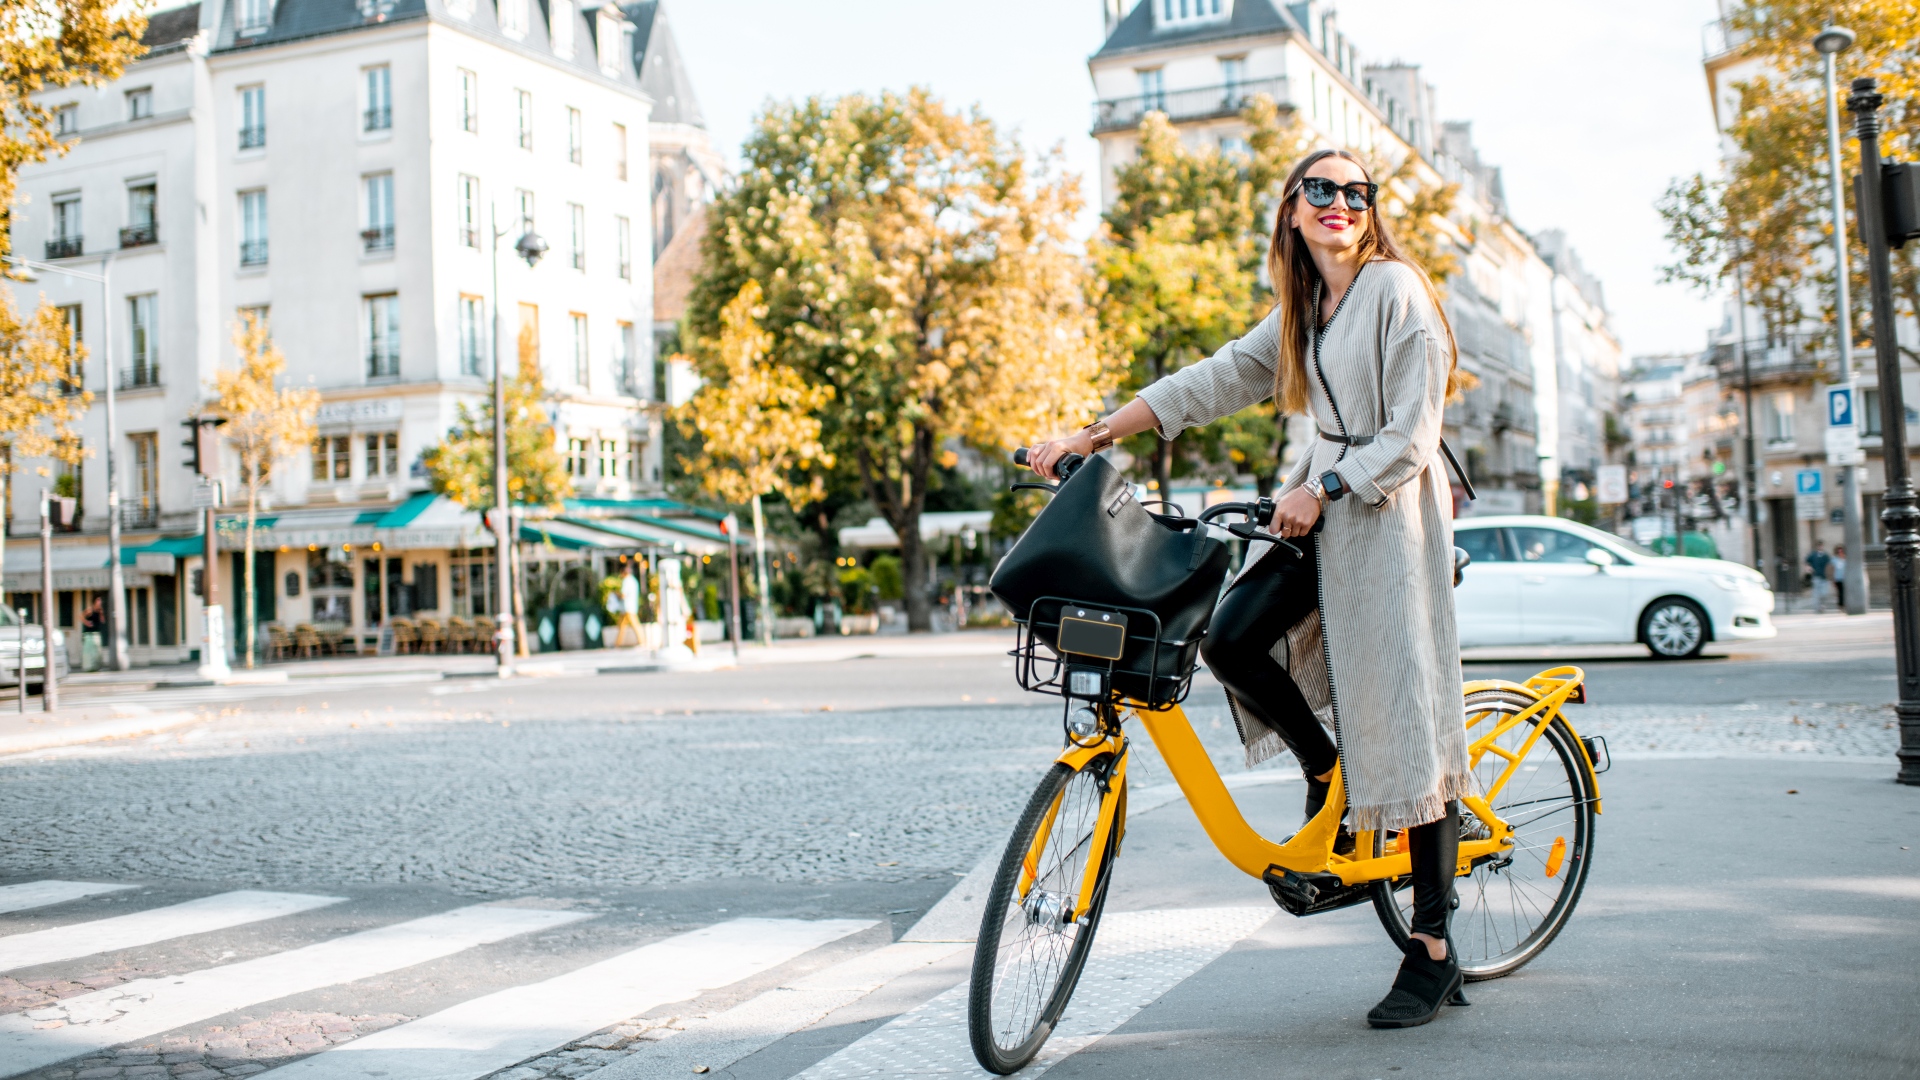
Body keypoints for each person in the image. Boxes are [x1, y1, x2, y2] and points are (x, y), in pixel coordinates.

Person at [1024, 149, 1472, 1029]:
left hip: (1384, 519)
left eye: (1355, 191)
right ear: (1292, 211)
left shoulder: (1396, 292)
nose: (1339, 202)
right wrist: (1091, 433)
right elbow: (1216, 378)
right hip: (1320, 511)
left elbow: (1415, 433)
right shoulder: (1303, 311)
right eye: (1320, 190)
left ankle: (1434, 948)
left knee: (1406, 723)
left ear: (1369, 209)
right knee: (1228, 639)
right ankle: (1326, 766)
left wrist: (1327, 487)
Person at [1806, 540, 1832, 614]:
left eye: (1821, 545)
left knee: (1824, 593)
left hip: (1824, 577)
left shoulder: (1826, 556)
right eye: (1819, 545)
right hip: (1816, 576)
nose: (1820, 547)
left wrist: (1829, 575)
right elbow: (1807, 562)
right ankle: (1817, 608)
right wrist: (1809, 569)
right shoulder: (1813, 555)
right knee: (1816, 593)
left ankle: (1822, 605)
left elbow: (1829, 566)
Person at [1832, 544, 1848, 611]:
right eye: (1839, 552)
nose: (1840, 553)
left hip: (1845, 578)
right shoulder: (1834, 560)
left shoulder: (1846, 559)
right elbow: (1832, 569)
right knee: (1840, 593)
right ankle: (1841, 606)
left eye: (1841, 551)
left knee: (1845, 592)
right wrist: (1832, 579)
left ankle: (1844, 604)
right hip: (1838, 578)